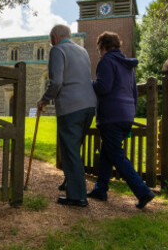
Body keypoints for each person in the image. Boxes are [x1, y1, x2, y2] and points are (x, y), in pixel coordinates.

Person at [89, 31, 155, 209]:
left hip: (111, 115)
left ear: (103, 47)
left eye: (99, 49)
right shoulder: (127, 65)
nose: (99, 52)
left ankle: (143, 191)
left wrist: (89, 83)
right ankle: (100, 189)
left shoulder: (106, 61)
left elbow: (103, 87)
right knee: (107, 152)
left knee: (116, 155)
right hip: (126, 114)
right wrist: (130, 114)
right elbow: (134, 92)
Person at [37, 25, 96, 207]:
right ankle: (70, 184)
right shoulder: (83, 51)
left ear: (55, 36)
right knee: (74, 150)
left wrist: (44, 100)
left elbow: (56, 82)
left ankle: (77, 197)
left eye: (50, 39)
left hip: (71, 107)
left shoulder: (57, 50)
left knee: (70, 153)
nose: (50, 42)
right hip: (89, 106)